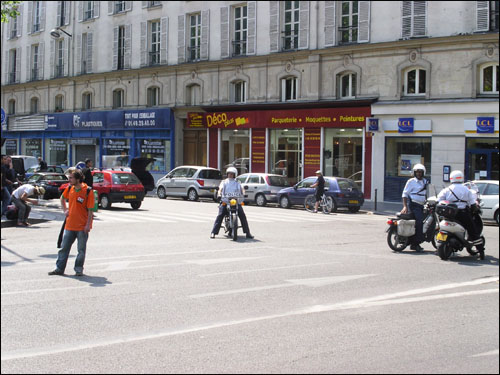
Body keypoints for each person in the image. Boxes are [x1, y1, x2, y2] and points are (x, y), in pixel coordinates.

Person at [49, 170, 94, 277]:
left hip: (82, 226)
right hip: (69, 225)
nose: (69, 180)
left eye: (71, 178)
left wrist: (88, 225)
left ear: (78, 179)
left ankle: (78, 269)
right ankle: (59, 269)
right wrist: (65, 210)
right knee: (64, 248)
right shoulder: (70, 188)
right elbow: (62, 198)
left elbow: (90, 210)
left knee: (81, 250)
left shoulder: (87, 191)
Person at [437, 170, 485, 253]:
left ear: (451, 178)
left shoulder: (447, 189)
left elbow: (439, 200)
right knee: (473, 230)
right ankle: (480, 250)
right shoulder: (466, 189)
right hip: (463, 213)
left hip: (449, 214)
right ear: (461, 178)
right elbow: (472, 203)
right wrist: (475, 209)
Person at [210, 167, 253, 239]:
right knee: (220, 215)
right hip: (226, 201)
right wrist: (219, 194)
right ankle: (213, 232)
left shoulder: (237, 182)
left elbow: (242, 188)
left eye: (232, 174)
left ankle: (247, 233)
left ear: (235, 174)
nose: (230, 175)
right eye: (229, 173)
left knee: (242, 215)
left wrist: (243, 193)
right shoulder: (224, 182)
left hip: (235, 201)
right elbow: (220, 188)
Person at [400, 163, 428, 252]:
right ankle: (415, 244)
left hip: (423, 205)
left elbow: (429, 193)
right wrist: (405, 206)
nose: (419, 174)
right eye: (417, 172)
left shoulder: (426, 182)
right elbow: (405, 194)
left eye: (420, 172)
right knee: (419, 222)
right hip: (414, 204)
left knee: (426, 221)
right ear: (414, 173)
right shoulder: (411, 181)